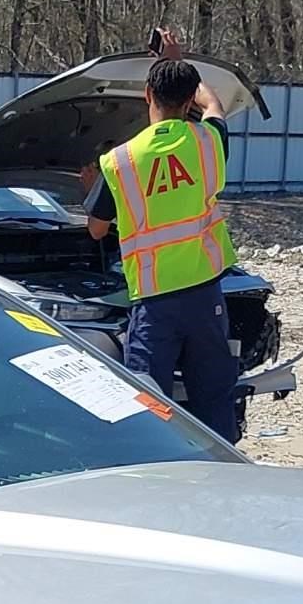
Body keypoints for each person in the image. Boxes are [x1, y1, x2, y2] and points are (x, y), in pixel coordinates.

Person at [86, 41, 241, 440]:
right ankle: (224, 473)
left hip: (155, 302)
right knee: (214, 397)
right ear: (189, 99)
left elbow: (97, 229)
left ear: (147, 95)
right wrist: (176, 62)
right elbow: (215, 106)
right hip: (206, 297)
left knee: (148, 403)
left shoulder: (119, 161)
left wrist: (94, 190)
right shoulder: (208, 142)